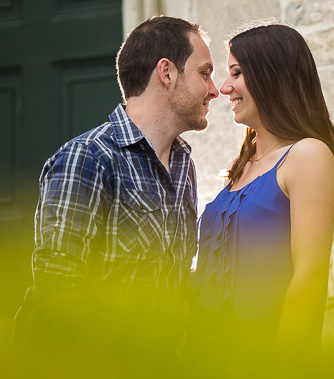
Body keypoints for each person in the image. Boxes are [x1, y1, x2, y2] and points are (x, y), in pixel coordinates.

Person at [14, 15, 219, 357]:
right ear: (166, 73)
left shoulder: (183, 164)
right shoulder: (87, 156)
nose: (214, 89)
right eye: (204, 72)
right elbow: (59, 289)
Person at [189, 22, 334, 359]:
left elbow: (310, 273)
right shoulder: (244, 162)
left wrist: (282, 373)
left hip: (260, 365)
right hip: (205, 363)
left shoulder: (308, 155)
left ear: (272, 75)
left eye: (237, 72)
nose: (224, 87)